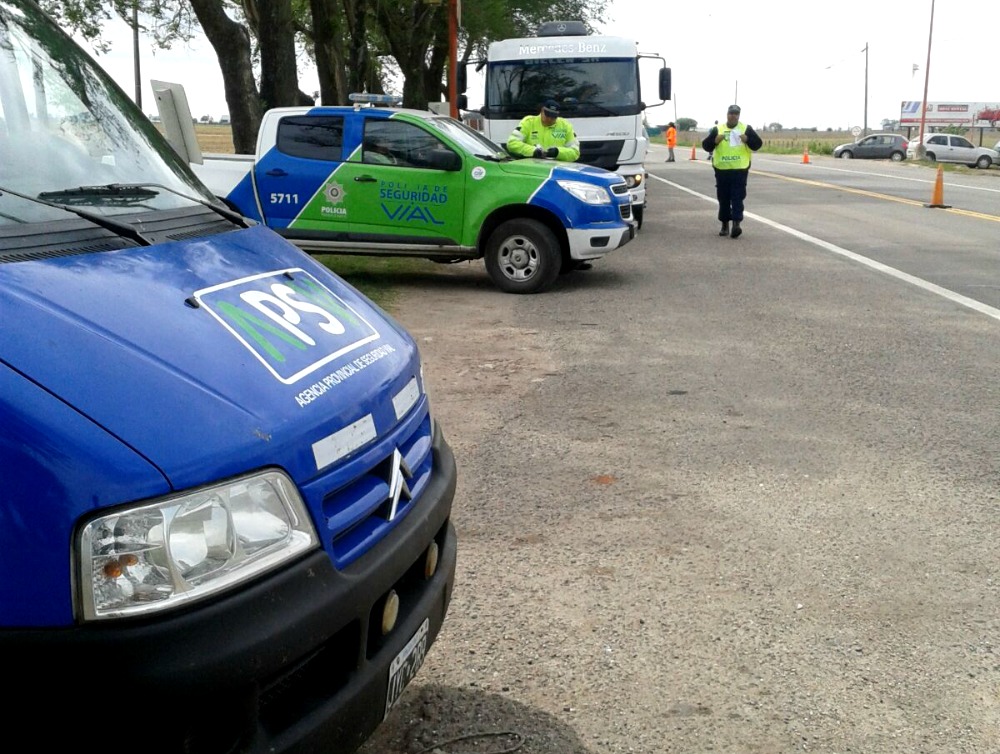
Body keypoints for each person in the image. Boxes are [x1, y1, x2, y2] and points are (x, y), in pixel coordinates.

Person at [701, 104, 762, 239]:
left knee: (737, 197)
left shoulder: (745, 128)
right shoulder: (718, 129)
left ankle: (736, 224)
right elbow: (706, 145)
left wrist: (748, 139)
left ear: (739, 116)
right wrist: (715, 141)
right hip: (722, 169)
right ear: (727, 114)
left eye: (736, 114)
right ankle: (724, 225)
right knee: (723, 198)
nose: (733, 116)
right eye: (731, 113)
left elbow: (758, 144)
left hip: (739, 169)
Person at [507, 100, 580, 162]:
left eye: (553, 117)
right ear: (542, 111)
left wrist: (557, 152)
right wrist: (533, 151)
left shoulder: (565, 126)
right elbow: (512, 144)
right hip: (532, 169)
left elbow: (575, 152)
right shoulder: (528, 122)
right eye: (547, 115)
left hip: (556, 170)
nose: (549, 119)